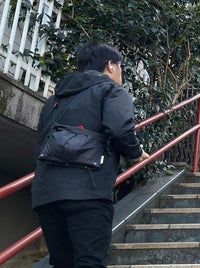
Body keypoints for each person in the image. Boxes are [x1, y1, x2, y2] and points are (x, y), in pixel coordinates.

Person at [32, 42, 150, 268]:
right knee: (90, 261)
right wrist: (135, 153)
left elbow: (41, 144)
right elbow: (119, 129)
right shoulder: (111, 90)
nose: (121, 73)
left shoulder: (54, 100)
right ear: (111, 65)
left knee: (62, 263)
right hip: (89, 191)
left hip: (46, 194)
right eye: (121, 66)